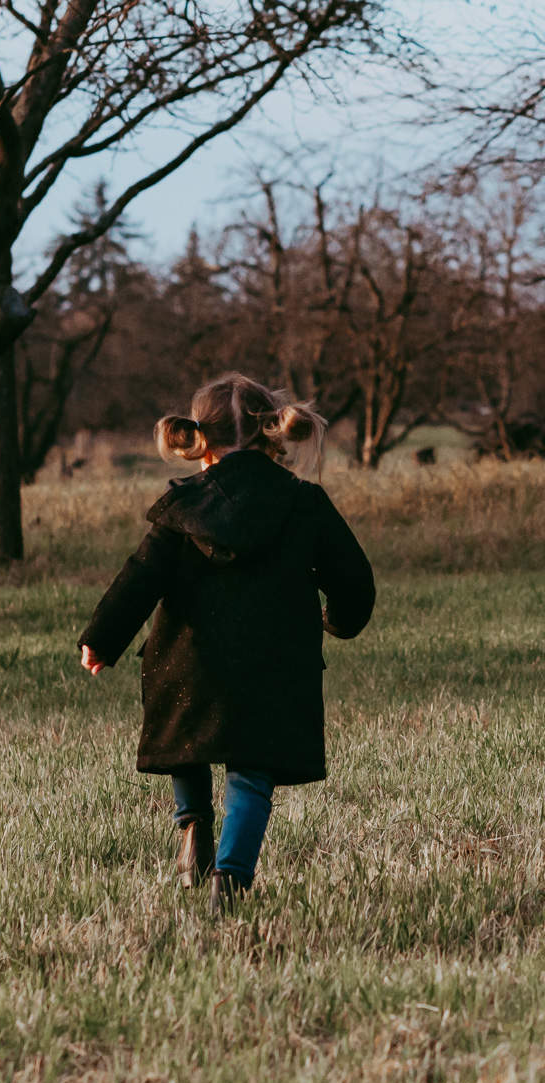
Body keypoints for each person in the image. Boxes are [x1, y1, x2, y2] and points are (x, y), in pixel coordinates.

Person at [77, 373, 376, 915]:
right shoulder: (304, 502)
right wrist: (339, 619)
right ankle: (231, 880)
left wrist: (102, 638)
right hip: (276, 662)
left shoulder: (182, 507)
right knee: (252, 769)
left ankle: (191, 820)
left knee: (184, 738)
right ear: (272, 435)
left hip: (188, 657)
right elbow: (354, 579)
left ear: (199, 441)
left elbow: (139, 577)